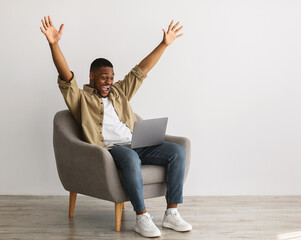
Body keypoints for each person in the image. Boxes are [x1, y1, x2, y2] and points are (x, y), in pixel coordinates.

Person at [40, 15, 191, 238]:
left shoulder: (119, 92)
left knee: (177, 151)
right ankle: (141, 217)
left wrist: (164, 44)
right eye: (103, 78)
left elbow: (141, 70)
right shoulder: (80, 99)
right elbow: (66, 76)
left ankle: (171, 214)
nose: (108, 82)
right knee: (130, 159)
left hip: (135, 143)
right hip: (112, 150)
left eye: (111, 78)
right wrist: (54, 44)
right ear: (92, 77)